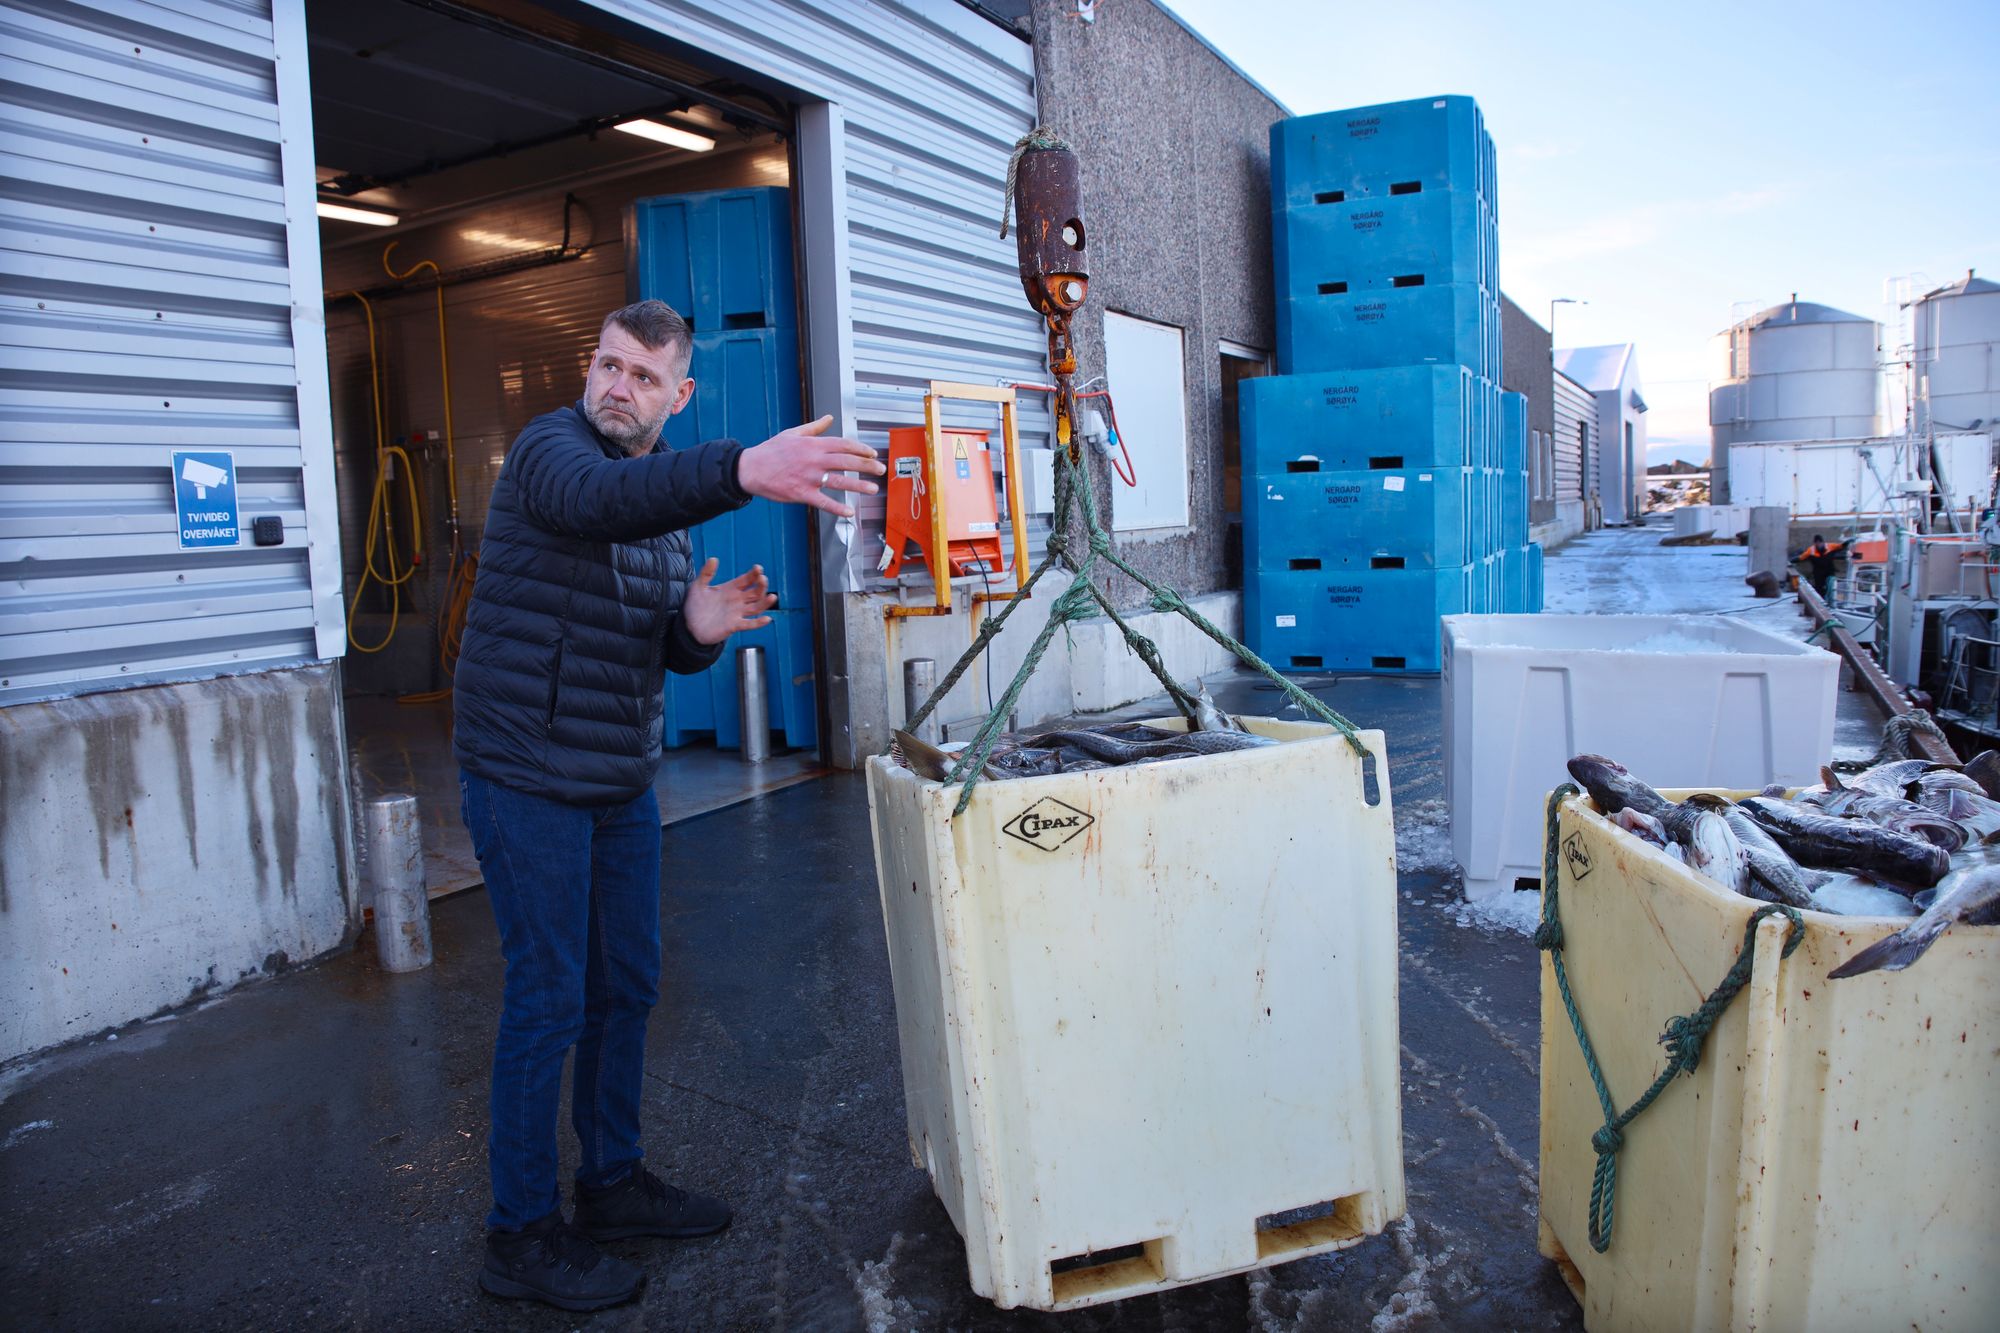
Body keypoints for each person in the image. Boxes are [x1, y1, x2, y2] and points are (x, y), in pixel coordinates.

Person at [451, 299, 883, 1312]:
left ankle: (609, 1183)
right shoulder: (548, 452)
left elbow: (657, 640)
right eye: (607, 365)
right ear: (588, 367)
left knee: (627, 986)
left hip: (614, 778)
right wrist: (742, 467)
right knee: (548, 995)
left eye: (643, 376)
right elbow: (595, 502)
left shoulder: (662, 502)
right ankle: (517, 1234)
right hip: (524, 773)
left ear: (677, 394)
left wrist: (695, 626)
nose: (616, 386)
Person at [1795, 533, 1847, 601]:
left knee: (1831, 586)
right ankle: (1821, 601)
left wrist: (1847, 542)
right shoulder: (1811, 550)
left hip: (1829, 571)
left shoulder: (1830, 546)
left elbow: (1840, 546)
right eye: (1817, 543)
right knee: (1819, 589)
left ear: (1823, 542)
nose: (1818, 544)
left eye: (1820, 542)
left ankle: (1830, 600)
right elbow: (1801, 557)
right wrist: (1792, 561)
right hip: (1818, 573)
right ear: (1814, 543)